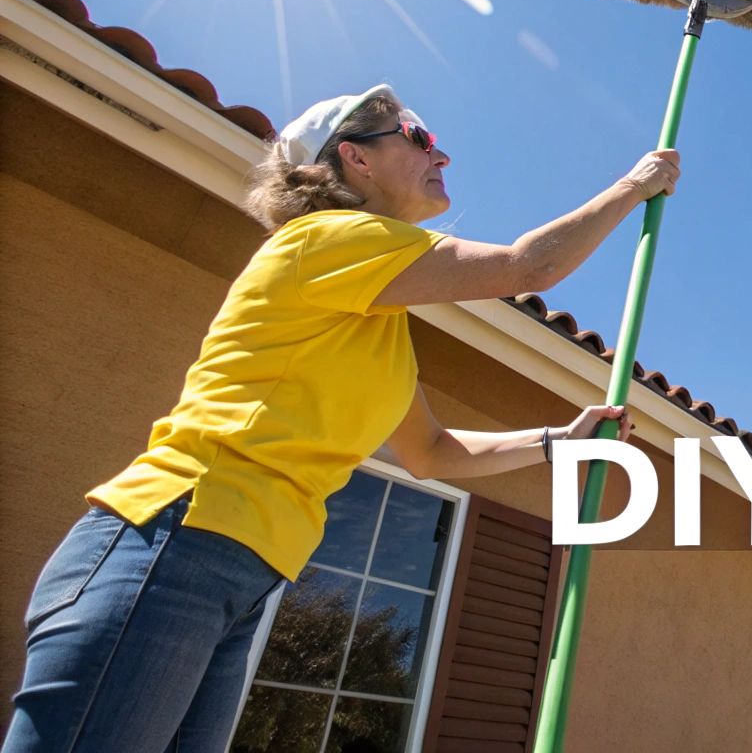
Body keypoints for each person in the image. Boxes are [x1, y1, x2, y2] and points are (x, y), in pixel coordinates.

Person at [4, 84, 678, 752]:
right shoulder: (325, 240)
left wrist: (559, 441)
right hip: (179, 536)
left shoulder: (373, 324)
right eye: (420, 138)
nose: (442, 157)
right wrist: (633, 185)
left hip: (243, 572)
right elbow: (529, 266)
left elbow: (433, 454)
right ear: (354, 158)